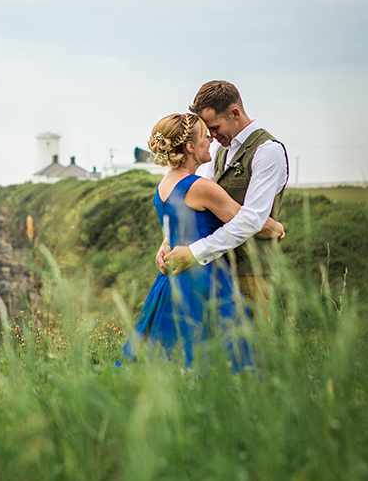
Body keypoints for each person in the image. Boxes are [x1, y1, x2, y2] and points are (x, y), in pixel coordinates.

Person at [122, 113, 284, 369]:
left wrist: (164, 246)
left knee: (169, 355)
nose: (211, 140)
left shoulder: (164, 184)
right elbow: (250, 222)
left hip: (171, 280)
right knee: (217, 356)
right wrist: (276, 226)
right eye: (205, 135)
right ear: (189, 147)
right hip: (204, 278)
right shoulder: (200, 187)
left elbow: (177, 226)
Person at [157, 81, 288, 305]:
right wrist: (169, 241)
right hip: (217, 270)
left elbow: (252, 220)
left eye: (215, 128)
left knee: (252, 337)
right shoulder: (219, 149)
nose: (212, 136)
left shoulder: (268, 151)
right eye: (208, 131)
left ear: (234, 113)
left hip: (252, 271)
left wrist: (195, 252)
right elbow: (199, 205)